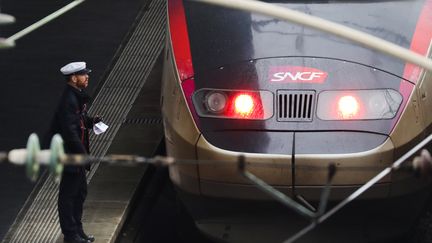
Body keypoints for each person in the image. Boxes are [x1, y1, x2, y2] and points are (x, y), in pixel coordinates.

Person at [51, 61, 100, 243]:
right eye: (83, 74)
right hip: (71, 157)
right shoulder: (68, 100)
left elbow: (77, 121)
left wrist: (91, 121)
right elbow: (70, 133)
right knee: (68, 196)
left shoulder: (75, 96)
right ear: (73, 78)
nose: (87, 77)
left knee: (79, 194)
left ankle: (78, 232)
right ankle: (71, 235)